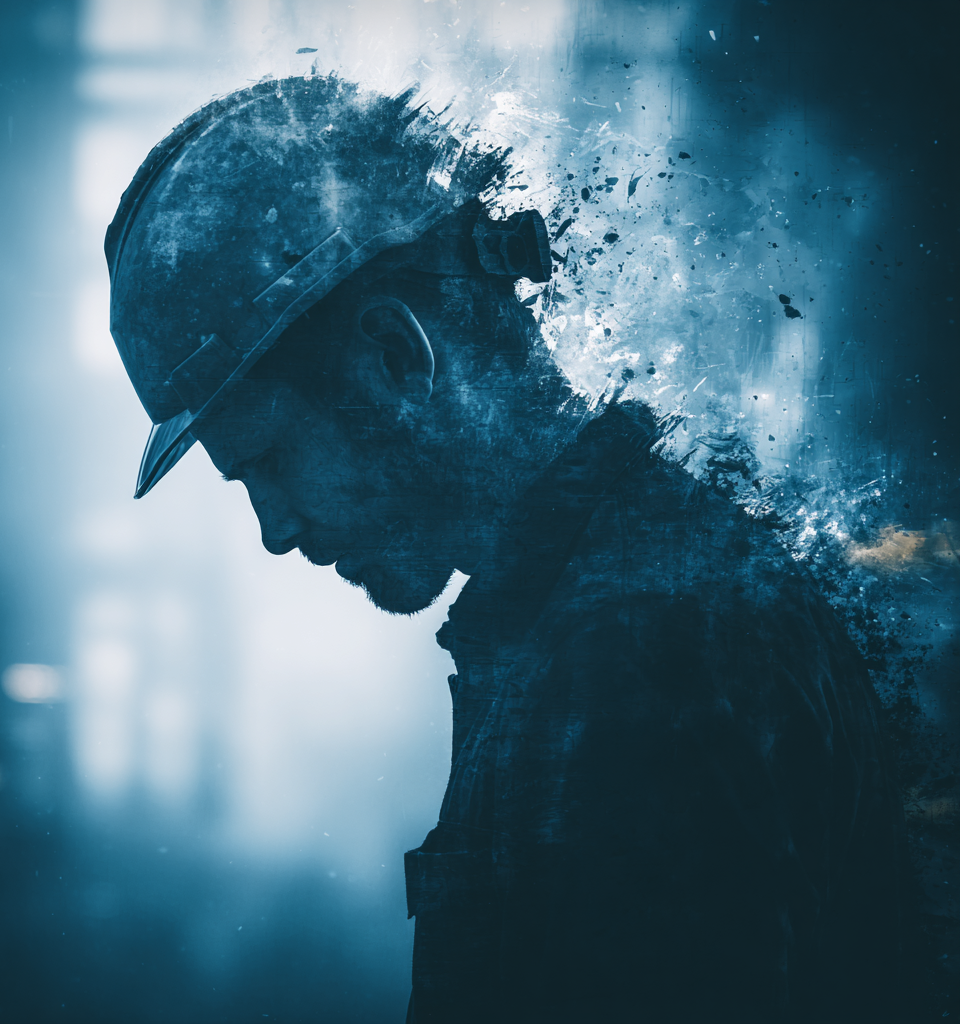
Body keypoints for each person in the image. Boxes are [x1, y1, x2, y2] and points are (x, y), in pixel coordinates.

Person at [106, 76, 905, 1022]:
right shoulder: (640, 600)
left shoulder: (634, 658)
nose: (276, 531)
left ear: (398, 358)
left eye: (269, 462)